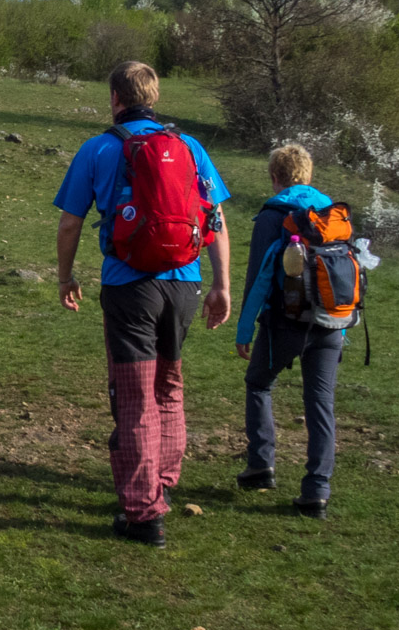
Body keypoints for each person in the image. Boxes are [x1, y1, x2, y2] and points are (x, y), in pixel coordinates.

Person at [54, 61, 232, 547]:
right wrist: (223, 285)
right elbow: (215, 220)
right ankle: (162, 486)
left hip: (129, 286)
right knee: (169, 386)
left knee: (133, 398)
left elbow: (70, 224)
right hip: (184, 285)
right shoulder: (191, 148)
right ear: (154, 96)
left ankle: (142, 514)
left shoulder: (98, 149)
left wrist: (66, 276)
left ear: (115, 98)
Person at [233, 144, 343, 519]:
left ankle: (261, 465)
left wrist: (245, 329)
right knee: (320, 403)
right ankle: (317, 490)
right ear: (309, 176)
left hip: (284, 320)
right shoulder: (333, 213)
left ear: (274, 177)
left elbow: (259, 278)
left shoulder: (273, 215)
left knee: (259, 383)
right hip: (331, 323)